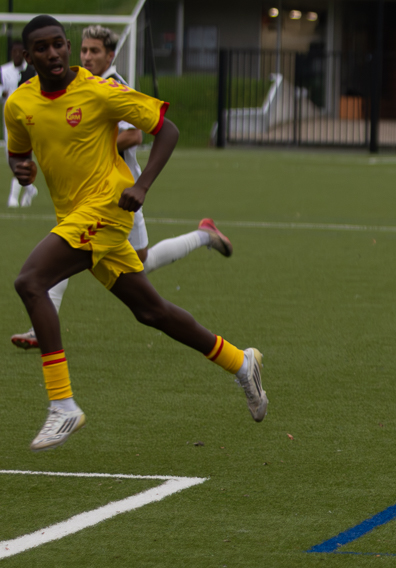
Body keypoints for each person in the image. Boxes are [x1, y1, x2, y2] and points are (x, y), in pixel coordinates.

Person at [6, 15, 267, 452]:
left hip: (107, 209)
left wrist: (141, 185)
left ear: (67, 47)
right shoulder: (18, 104)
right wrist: (22, 170)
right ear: (27, 56)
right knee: (152, 311)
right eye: (41, 48)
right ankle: (240, 362)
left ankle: (62, 405)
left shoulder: (97, 90)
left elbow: (167, 128)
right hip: (73, 216)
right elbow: (21, 160)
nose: (52, 53)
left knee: (30, 281)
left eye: (58, 45)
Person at [9, 24, 234, 350]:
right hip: (85, 199)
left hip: (120, 196)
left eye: (94, 51)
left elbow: (136, 135)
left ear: (110, 55)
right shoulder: (63, 87)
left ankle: (203, 236)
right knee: (62, 254)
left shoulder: (109, 87)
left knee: (131, 265)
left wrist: (88, 136)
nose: (87, 56)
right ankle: (40, 324)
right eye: (84, 50)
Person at [1, 38, 36, 207]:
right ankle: (29, 189)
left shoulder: (31, 71)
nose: (16, 55)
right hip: (8, 120)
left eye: (19, 52)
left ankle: (13, 197)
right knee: (11, 158)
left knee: (21, 156)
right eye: (13, 51)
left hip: (26, 120)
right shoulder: (3, 70)